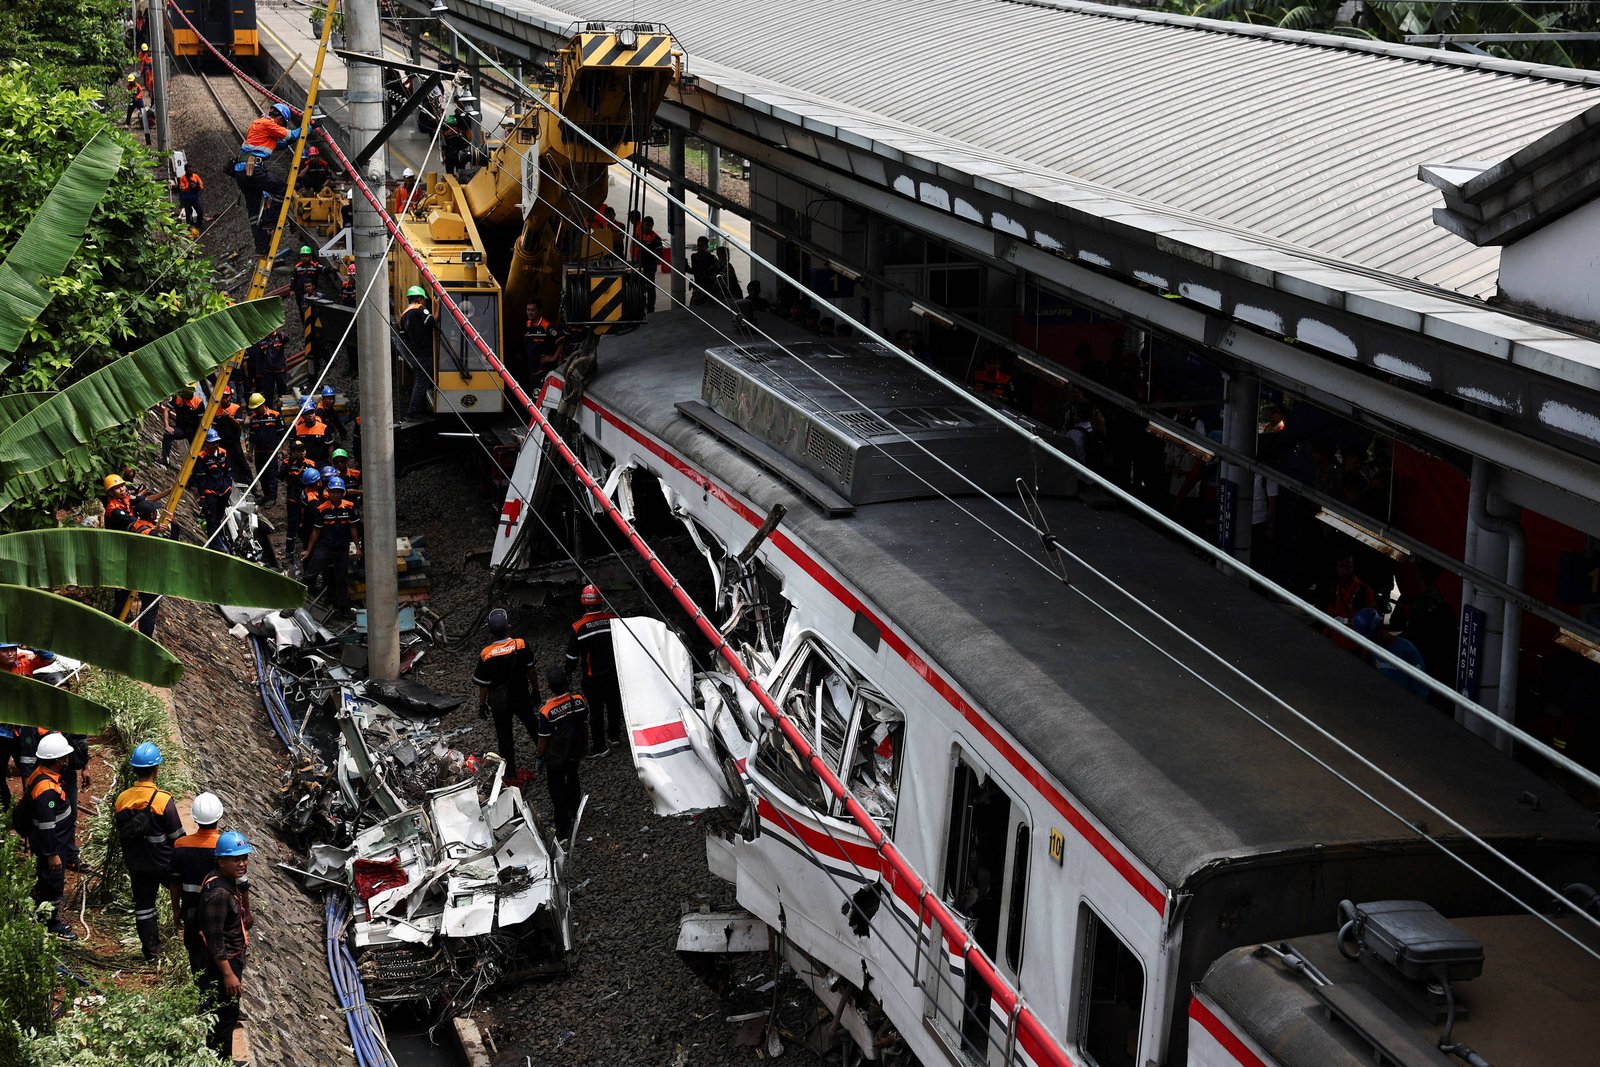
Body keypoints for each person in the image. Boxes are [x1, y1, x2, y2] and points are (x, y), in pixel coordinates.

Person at [114, 742, 185, 961]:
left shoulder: (122, 799)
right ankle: (190, 933)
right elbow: (178, 836)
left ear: (135, 769)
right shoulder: (163, 800)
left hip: (137, 863)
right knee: (188, 894)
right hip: (164, 863)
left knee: (144, 906)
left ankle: (152, 952)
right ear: (156, 769)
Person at [197, 831, 254, 1057]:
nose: (242, 864)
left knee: (226, 1014)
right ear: (221, 861)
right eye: (235, 859)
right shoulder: (219, 895)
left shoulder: (222, 881)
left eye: (244, 858)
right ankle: (221, 1060)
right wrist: (228, 974)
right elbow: (214, 939)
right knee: (225, 1016)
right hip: (224, 964)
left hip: (230, 959)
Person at [471, 608, 541, 784]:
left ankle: (510, 772)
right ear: (508, 626)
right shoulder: (521, 644)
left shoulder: (486, 654)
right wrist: (536, 690)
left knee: (504, 735)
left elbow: (484, 685)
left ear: (491, 632)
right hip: (521, 695)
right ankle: (546, 754)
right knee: (532, 725)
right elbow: (531, 670)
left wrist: (481, 704)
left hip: (499, 701)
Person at [22, 733, 78, 940]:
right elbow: (46, 825)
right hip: (52, 844)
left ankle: (38, 910)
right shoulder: (46, 791)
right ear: (58, 760)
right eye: (64, 757)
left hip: (51, 842)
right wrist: (52, 854)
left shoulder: (41, 774)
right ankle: (50, 924)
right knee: (53, 883)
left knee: (46, 880)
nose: (67, 760)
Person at [171, 791, 225, 975]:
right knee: (218, 953)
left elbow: (175, 882)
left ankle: (200, 986)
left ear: (195, 818)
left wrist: (176, 910)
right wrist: (246, 912)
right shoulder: (223, 846)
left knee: (195, 956)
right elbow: (241, 885)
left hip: (191, 910)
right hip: (219, 911)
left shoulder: (180, 845)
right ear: (219, 816)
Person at [566, 584, 621, 758]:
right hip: (613, 674)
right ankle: (615, 736)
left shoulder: (578, 627)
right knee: (613, 705)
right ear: (600, 601)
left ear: (583, 602)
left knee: (596, 711)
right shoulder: (613, 620)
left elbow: (572, 657)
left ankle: (600, 747)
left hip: (593, 678)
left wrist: (567, 674)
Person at [536, 666, 589, 846]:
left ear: (550, 686)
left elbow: (543, 739)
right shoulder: (579, 700)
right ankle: (575, 809)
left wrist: (539, 757)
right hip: (575, 751)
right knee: (573, 777)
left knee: (556, 788)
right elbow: (584, 720)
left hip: (556, 756)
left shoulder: (547, 711)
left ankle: (563, 827)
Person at [301, 475, 359, 613]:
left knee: (341, 579)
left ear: (343, 493)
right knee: (312, 573)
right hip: (325, 547)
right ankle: (300, 600)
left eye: (339, 492)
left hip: (342, 548)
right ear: (329, 492)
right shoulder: (322, 509)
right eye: (333, 492)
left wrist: (358, 547)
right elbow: (316, 530)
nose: (336, 495)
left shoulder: (349, 507)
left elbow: (353, 528)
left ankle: (342, 608)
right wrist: (308, 550)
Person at [1352, 608, 1429, 699]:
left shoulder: (1407, 649)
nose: (1369, 643)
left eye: (1370, 639)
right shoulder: (1374, 651)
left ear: (1379, 630)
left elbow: (1421, 686)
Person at [233, 102, 302, 200]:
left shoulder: (257, 123)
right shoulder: (269, 124)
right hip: (253, 169)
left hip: (241, 171)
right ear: (280, 119)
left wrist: (288, 142)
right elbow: (292, 135)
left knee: (255, 205)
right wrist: (310, 127)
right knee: (284, 189)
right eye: (282, 125)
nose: (281, 128)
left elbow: (276, 145)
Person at [1326, 551, 1378, 653]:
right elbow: (1330, 616)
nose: (1344, 571)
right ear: (1336, 568)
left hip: (1354, 648)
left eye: (1348, 567)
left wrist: (1365, 653)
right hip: (1335, 642)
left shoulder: (1365, 591)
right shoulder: (1335, 588)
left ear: (1354, 568)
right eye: (1341, 567)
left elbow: (1372, 624)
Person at [399, 286, 436, 417]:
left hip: (413, 355)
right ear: (420, 299)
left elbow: (403, 335)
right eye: (424, 300)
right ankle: (414, 412)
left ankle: (420, 408)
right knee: (421, 383)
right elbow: (432, 322)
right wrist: (438, 307)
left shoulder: (404, 315)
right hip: (424, 354)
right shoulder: (420, 309)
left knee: (420, 381)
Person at [195, 428, 233, 548]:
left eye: (216, 442)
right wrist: (202, 496)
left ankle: (219, 538)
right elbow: (200, 478)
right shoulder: (201, 457)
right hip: (210, 493)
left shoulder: (223, 453)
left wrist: (229, 487)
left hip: (224, 491)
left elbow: (228, 471)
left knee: (219, 518)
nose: (215, 445)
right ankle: (215, 545)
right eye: (212, 443)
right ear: (206, 443)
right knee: (211, 519)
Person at [247, 393, 284, 503]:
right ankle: (266, 495)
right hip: (259, 451)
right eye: (254, 409)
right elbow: (252, 437)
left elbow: (282, 434)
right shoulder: (254, 419)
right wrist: (250, 452)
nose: (255, 411)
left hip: (271, 451)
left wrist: (283, 449)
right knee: (261, 473)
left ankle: (272, 497)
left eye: (257, 408)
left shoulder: (275, 416)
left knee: (271, 474)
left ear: (263, 404)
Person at [214, 386, 251, 482]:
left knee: (242, 462)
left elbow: (239, 425)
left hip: (234, 441)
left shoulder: (235, 408)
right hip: (222, 442)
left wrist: (229, 417)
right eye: (222, 397)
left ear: (230, 396)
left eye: (226, 397)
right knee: (226, 463)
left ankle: (250, 482)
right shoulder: (215, 409)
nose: (224, 399)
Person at [286, 465, 321, 560]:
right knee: (311, 552)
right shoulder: (313, 500)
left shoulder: (305, 492)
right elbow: (318, 517)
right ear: (317, 483)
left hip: (303, 525)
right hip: (309, 529)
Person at [163, 384, 205, 465]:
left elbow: (201, 421)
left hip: (193, 431)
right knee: (167, 434)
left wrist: (200, 435)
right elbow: (166, 410)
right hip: (181, 428)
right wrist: (167, 426)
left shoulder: (198, 402)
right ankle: (165, 458)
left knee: (198, 452)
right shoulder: (177, 398)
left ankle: (198, 468)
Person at [522, 300, 556, 382]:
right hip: (531, 367)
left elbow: (560, 340)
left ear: (539, 311)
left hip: (543, 368)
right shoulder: (527, 324)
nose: (529, 313)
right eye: (528, 310)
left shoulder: (546, 325)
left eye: (533, 310)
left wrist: (553, 358)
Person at [636, 217, 666, 312]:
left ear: (652, 226)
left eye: (650, 225)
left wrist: (649, 252)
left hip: (650, 267)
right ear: (643, 225)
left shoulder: (656, 238)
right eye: (646, 225)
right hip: (640, 265)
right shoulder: (639, 236)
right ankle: (641, 306)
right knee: (640, 287)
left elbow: (659, 254)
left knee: (650, 288)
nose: (648, 227)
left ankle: (651, 308)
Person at [293, 398, 331, 466]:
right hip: (305, 463)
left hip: (321, 462)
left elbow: (330, 446)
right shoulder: (298, 429)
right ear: (302, 416)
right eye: (307, 413)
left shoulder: (324, 428)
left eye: (312, 412)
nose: (310, 415)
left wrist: (332, 462)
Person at [689, 236, 716, 306]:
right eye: (699, 245)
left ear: (706, 246)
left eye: (702, 246)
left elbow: (711, 273)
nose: (700, 248)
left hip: (708, 287)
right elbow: (694, 271)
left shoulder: (711, 258)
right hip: (698, 286)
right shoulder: (694, 256)